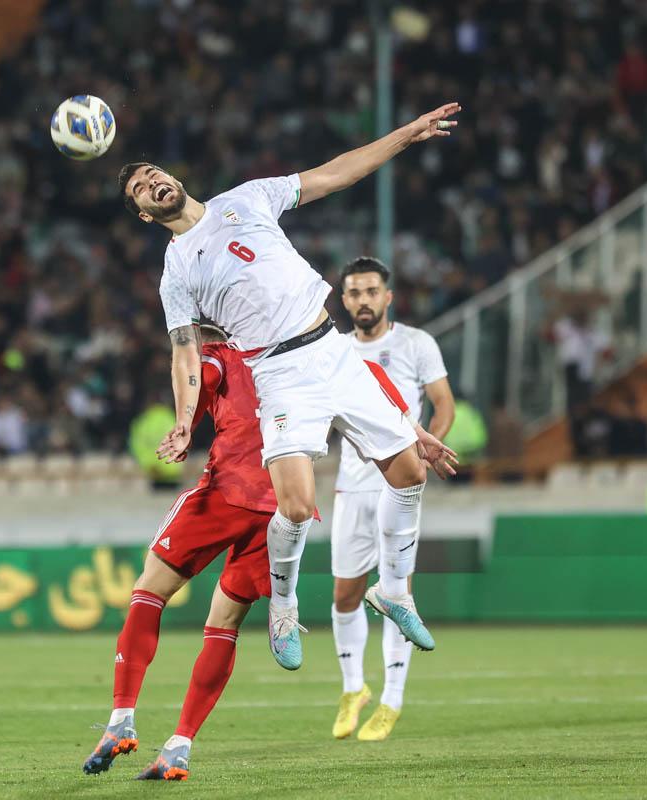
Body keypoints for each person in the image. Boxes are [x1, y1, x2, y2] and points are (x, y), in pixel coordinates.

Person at [120, 102, 462, 670]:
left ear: (174, 178)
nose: (152, 182)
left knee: (409, 473)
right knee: (297, 506)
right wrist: (185, 419)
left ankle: (394, 591)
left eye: (153, 172)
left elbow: (334, 173)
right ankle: (283, 606)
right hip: (278, 372)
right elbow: (185, 350)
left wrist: (405, 136)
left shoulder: (247, 198)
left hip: (332, 347)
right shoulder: (177, 271)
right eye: (139, 187)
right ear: (143, 214)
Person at [83, 324, 413, 781]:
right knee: (222, 626)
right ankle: (179, 746)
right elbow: (370, 379)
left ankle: (121, 718)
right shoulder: (316, 355)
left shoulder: (222, 354)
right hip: (282, 509)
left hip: (227, 491)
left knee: (149, 590)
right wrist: (416, 433)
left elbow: (198, 375)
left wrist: (184, 422)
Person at [329, 257, 454, 742]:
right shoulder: (335, 351)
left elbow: (443, 404)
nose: (363, 299)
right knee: (345, 594)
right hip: (350, 484)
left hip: (398, 483)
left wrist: (425, 450)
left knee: (395, 593)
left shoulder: (415, 343)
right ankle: (353, 688)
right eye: (354, 292)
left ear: (388, 296)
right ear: (344, 300)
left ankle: (392, 699)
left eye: (371, 291)